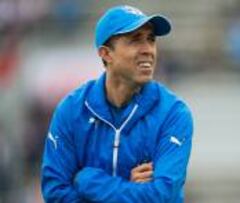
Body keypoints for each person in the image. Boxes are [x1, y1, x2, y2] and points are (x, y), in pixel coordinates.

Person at [41, 5, 194, 203]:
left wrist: (90, 182)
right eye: (135, 40)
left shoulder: (173, 113)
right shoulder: (71, 110)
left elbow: (162, 195)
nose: (148, 49)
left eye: (151, 39)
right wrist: (128, 187)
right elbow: (55, 192)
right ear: (106, 54)